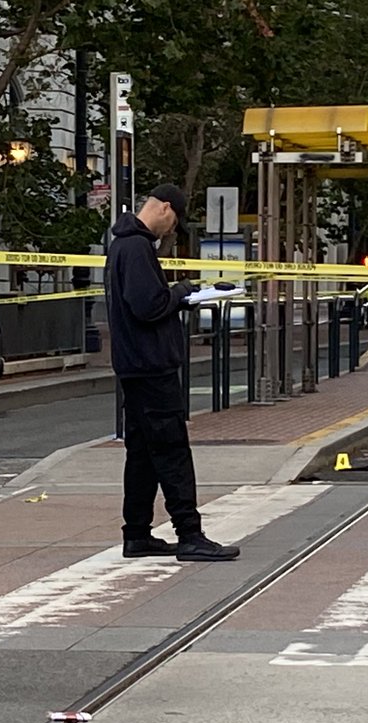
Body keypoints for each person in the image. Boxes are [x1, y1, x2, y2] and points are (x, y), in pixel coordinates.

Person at [105, 184, 240, 563]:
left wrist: (179, 295)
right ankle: (189, 533)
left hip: (135, 366)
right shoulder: (136, 248)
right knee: (172, 450)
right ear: (165, 208)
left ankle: (136, 533)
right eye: (174, 221)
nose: (171, 230)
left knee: (143, 453)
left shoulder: (124, 245)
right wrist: (182, 292)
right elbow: (148, 306)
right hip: (152, 368)